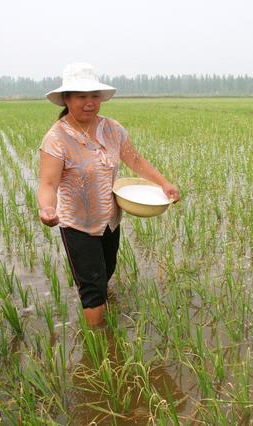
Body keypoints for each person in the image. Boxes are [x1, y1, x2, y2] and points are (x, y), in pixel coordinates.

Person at [37, 62, 180, 327]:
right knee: (92, 290)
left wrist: (164, 183)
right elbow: (48, 184)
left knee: (106, 270)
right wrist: (47, 209)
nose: (89, 102)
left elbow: (136, 160)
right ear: (66, 99)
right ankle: (98, 346)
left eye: (94, 96)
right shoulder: (56, 139)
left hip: (110, 220)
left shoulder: (112, 129)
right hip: (77, 224)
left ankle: (100, 303)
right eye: (81, 96)